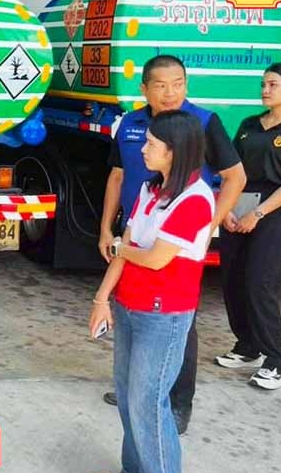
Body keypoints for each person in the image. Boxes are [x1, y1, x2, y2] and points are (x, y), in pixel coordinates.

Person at [97, 55, 245, 432]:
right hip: (136, 231)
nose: (170, 92)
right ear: (144, 89)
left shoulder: (203, 123)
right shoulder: (130, 124)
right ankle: (140, 388)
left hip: (174, 241)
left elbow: (235, 177)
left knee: (176, 324)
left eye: (178, 84)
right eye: (161, 85)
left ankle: (178, 403)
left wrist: (206, 226)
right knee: (131, 313)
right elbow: (117, 177)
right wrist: (105, 230)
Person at [88, 110, 214, 473]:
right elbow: (128, 248)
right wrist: (102, 298)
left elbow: (156, 258)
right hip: (129, 306)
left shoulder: (195, 199)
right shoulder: (150, 189)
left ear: (174, 152)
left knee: (149, 406)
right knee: (129, 398)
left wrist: (122, 247)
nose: (143, 150)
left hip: (165, 315)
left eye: (152, 145)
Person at [216, 63, 281, 390]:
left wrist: (258, 213)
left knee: (259, 283)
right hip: (239, 203)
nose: (265, 90)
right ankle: (247, 347)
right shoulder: (249, 124)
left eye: (273, 85)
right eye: (263, 84)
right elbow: (232, 172)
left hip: (274, 209)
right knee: (233, 279)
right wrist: (226, 209)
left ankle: (277, 362)